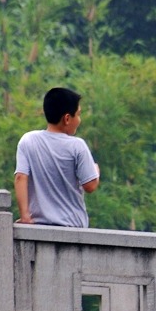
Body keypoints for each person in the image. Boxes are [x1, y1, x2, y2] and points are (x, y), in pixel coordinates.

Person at [15, 87, 100, 228]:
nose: (79, 120)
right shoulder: (77, 146)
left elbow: (20, 177)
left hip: (38, 227)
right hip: (71, 228)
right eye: (78, 115)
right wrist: (95, 171)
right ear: (67, 118)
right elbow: (90, 186)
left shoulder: (28, 140)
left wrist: (25, 216)